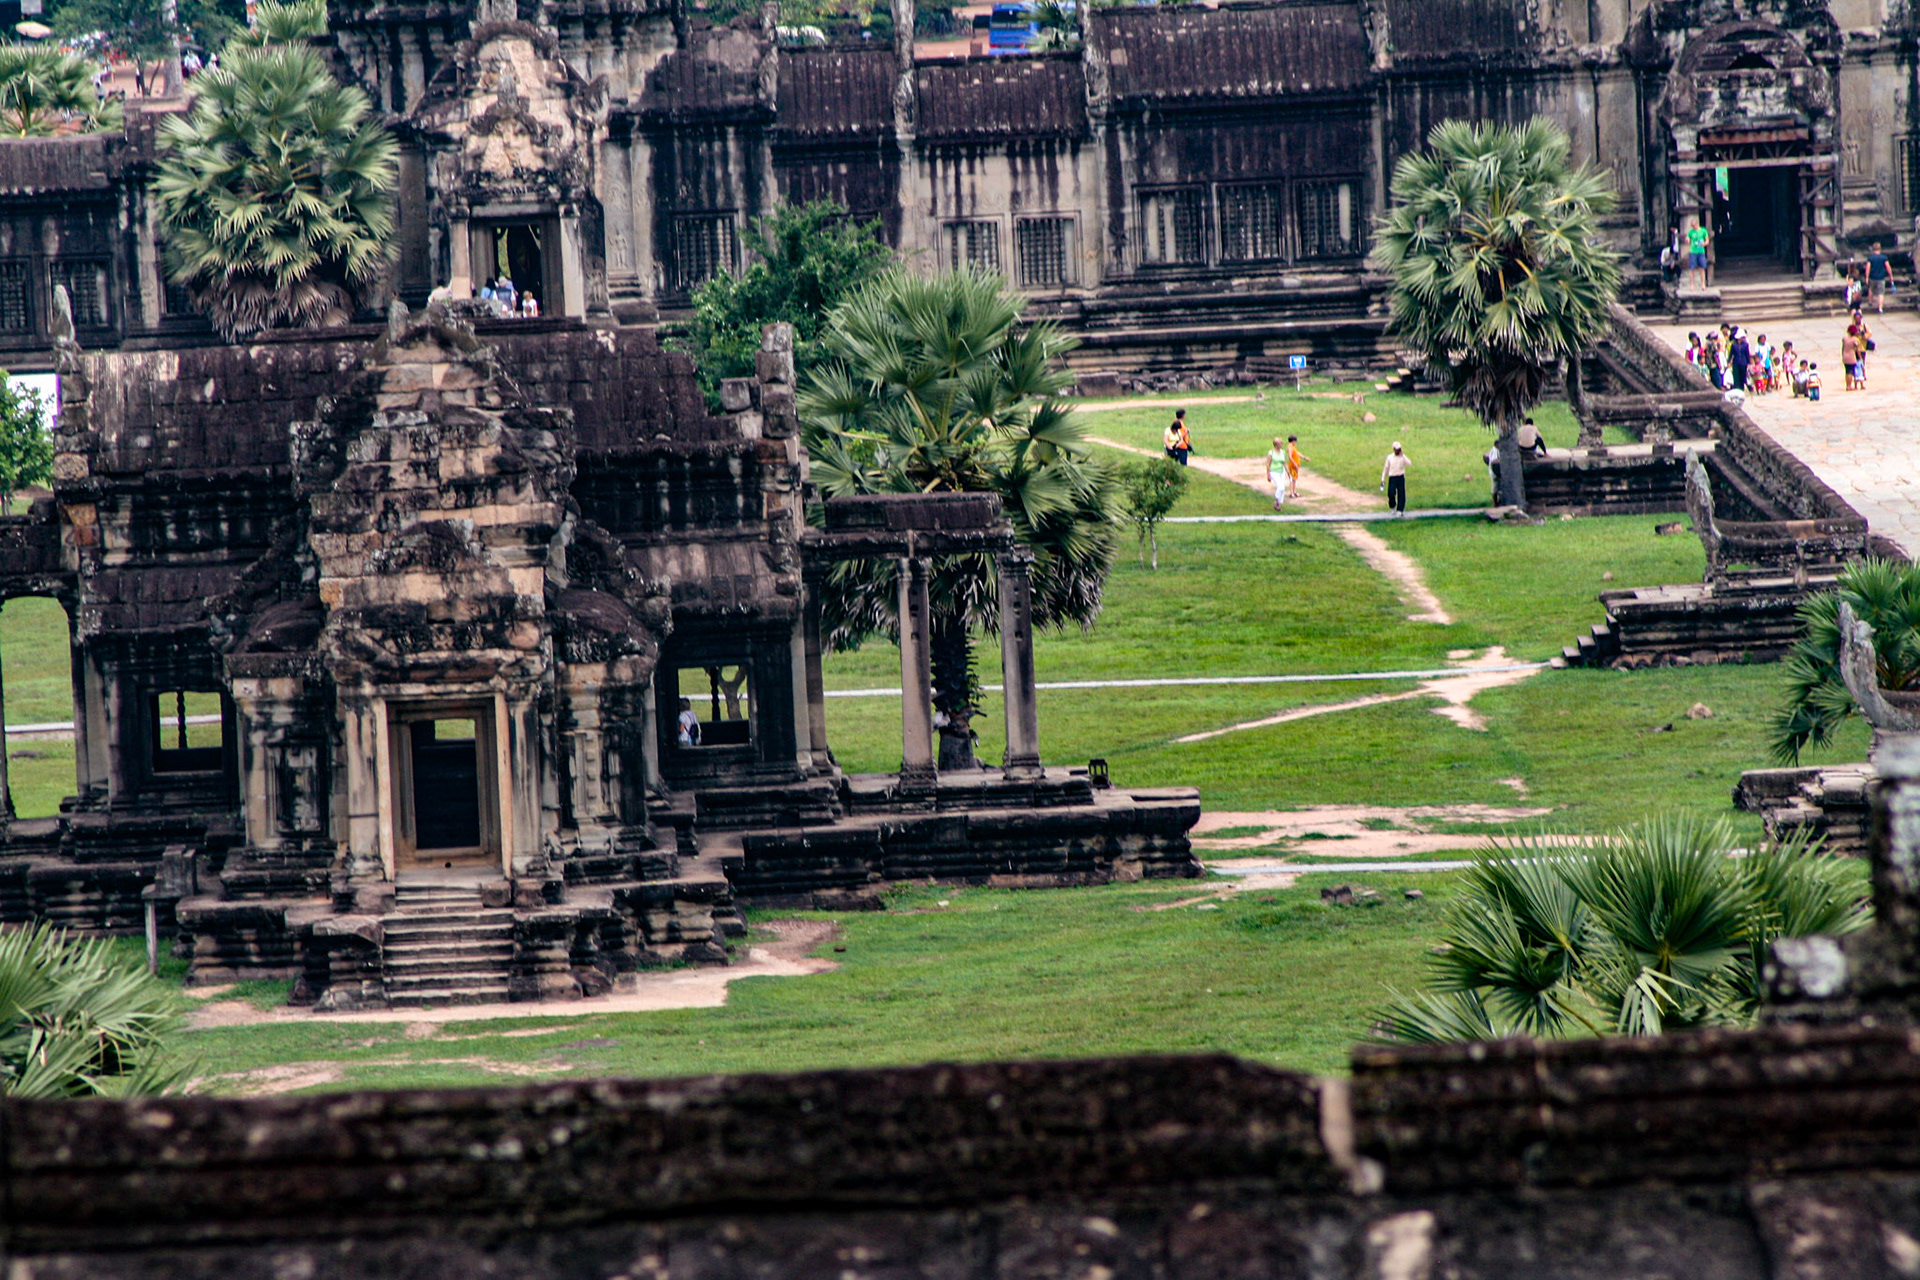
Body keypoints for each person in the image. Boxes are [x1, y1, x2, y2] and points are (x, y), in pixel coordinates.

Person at [1380, 442, 1409, 515]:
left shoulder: (1402, 457)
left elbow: (1409, 463)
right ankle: (1392, 506)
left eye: (1399, 449)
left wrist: (1403, 456)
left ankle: (1400, 510)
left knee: (1401, 493)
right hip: (1392, 477)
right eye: (1396, 449)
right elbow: (1386, 468)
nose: (1397, 451)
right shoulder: (1390, 457)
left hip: (1400, 476)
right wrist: (1383, 479)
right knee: (1391, 492)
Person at [1265, 437, 1291, 511]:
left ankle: (1279, 503)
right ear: (1276, 444)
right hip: (1274, 472)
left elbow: (1284, 462)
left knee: (1283, 488)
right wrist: (1268, 474)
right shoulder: (1271, 453)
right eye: (1280, 443)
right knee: (1280, 487)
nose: (1282, 444)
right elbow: (1268, 464)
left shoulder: (1282, 452)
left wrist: (1288, 472)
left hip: (1281, 471)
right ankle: (1276, 501)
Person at [1868, 242, 1892, 314]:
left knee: (1871, 289)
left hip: (1872, 277)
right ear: (1880, 249)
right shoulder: (1884, 258)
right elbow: (1888, 267)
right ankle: (1880, 308)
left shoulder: (1870, 258)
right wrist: (1891, 276)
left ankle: (1870, 302)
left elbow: (1867, 268)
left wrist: (1866, 277)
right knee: (1881, 293)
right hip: (1881, 277)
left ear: (1873, 249)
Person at [1686, 219, 1710, 289]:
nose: (1693, 227)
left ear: (1697, 224)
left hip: (1701, 251)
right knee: (1691, 269)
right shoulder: (1691, 232)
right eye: (1692, 226)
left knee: (1702, 268)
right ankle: (1692, 284)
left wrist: (1704, 244)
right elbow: (1687, 238)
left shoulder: (1703, 231)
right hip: (1693, 251)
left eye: (1694, 225)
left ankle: (1703, 284)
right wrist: (1687, 240)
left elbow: (1707, 240)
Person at [1285, 433, 1307, 498]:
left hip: (1295, 465)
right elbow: (1290, 456)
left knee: (1295, 479)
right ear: (1293, 441)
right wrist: (1294, 463)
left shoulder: (1293, 447)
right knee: (1292, 479)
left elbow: (1297, 453)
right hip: (1292, 465)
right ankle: (1291, 492)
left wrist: (1304, 457)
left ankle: (1294, 492)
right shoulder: (1290, 447)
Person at [1729, 327, 1750, 393]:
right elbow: (1731, 354)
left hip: (1743, 363)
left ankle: (1741, 388)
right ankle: (1736, 388)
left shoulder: (1745, 345)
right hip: (1736, 362)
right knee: (1736, 376)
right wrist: (1729, 361)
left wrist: (1748, 363)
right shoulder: (1734, 345)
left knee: (1742, 376)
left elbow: (1747, 354)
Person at [1842, 325, 1862, 391]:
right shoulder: (1855, 340)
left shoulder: (1844, 338)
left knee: (1847, 371)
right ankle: (1849, 386)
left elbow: (1842, 348)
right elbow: (1857, 350)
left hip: (1845, 356)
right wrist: (1860, 357)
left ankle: (1847, 385)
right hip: (1851, 357)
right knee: (1851, 372)